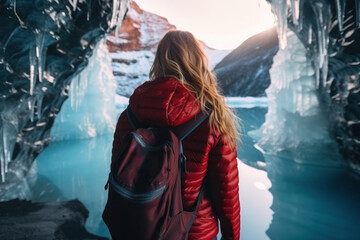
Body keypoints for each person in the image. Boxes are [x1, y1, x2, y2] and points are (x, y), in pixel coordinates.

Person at [111, 30, 240, 240]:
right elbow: (226, 192)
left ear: (159, 61)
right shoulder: (213, 117)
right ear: (197, 61)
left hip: (138, 229)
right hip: (192, 232)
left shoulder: (129, 115)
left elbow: (119, 173)